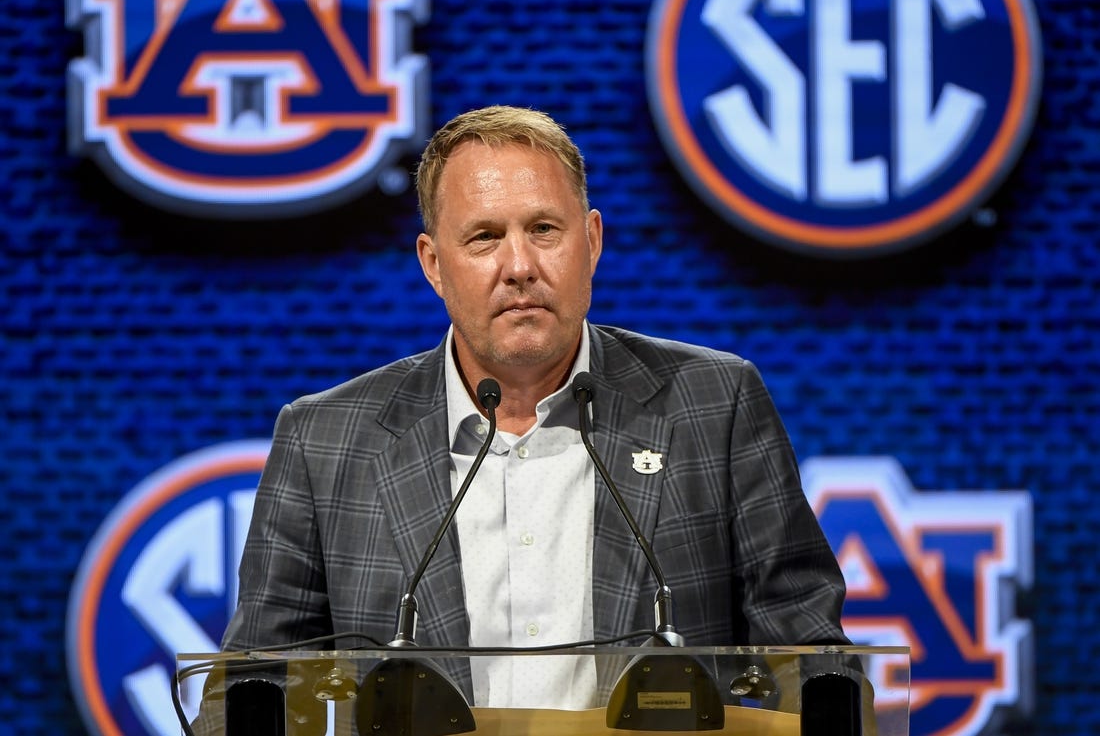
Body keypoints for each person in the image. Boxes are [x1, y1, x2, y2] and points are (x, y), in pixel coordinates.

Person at [220, 105, 849, 711]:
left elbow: (811, 661)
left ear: (593, 241)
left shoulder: (715, 405)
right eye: (485, 237)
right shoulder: (324, 440)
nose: (519, 266)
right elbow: (250, 689)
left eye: (544, 229)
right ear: (434, 265)